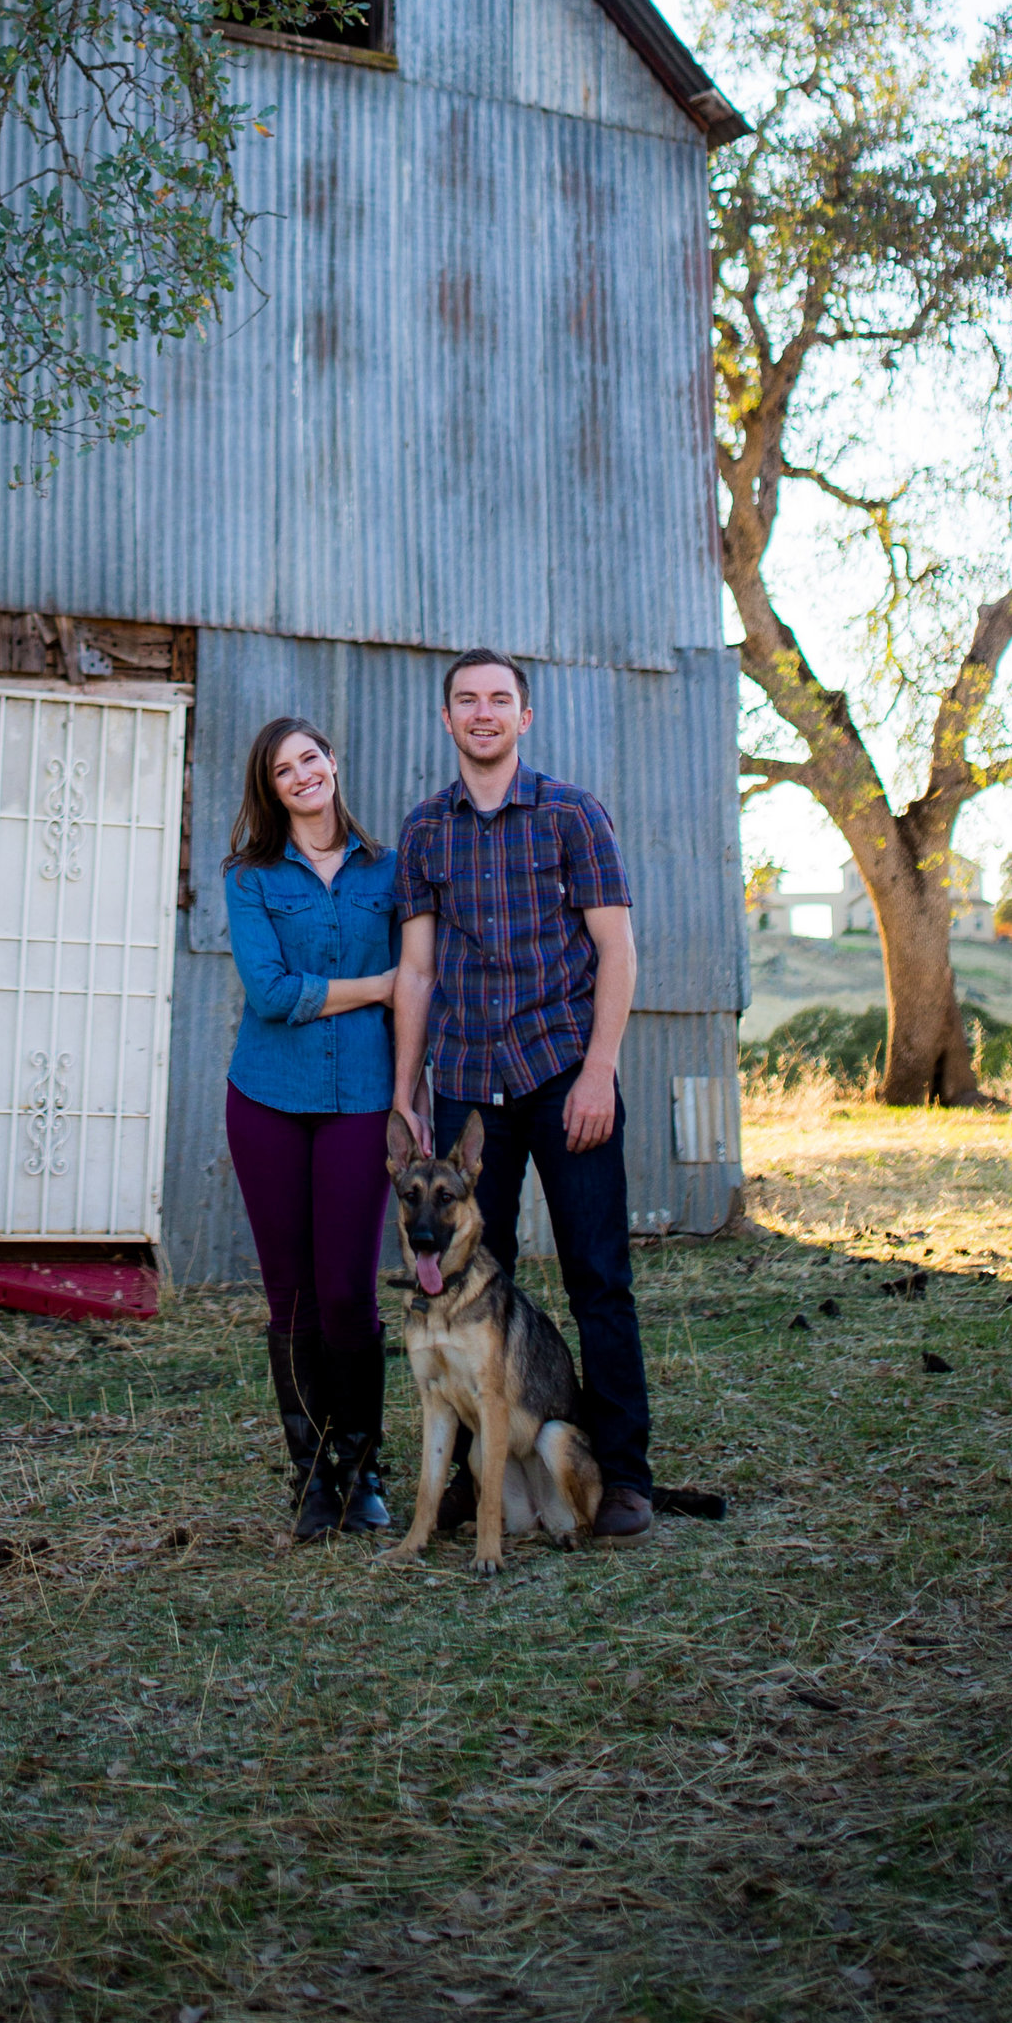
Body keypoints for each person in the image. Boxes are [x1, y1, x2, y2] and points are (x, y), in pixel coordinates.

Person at [391, 648, 656, 1541]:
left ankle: (620, 1476)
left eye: (498, 699)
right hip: (467, 1090)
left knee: (596, 1276)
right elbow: (419, 972)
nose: (482, 713)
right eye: (465, 700)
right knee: (465, 1284)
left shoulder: (574, 817)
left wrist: (599, 1069)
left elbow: (616, 951)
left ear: (524, 716)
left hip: (560, 1075)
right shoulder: (427, 831)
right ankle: (476, 1478)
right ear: (447, 718)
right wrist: (407, 1095)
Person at [222, 717, 402, 1542]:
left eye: (309, 759)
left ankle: (362, 1472)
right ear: (270, 788)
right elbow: (270, 993)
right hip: (265, 1097)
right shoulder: (251, 877)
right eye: (281, 769)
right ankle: (310, 1482)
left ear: (334, 760)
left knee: (347, 1292)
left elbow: (422, 989)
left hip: (362, 1097)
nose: (300, 776)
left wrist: (412, 1092)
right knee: (289, 1296)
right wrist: (378, 986)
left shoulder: (392, 873)